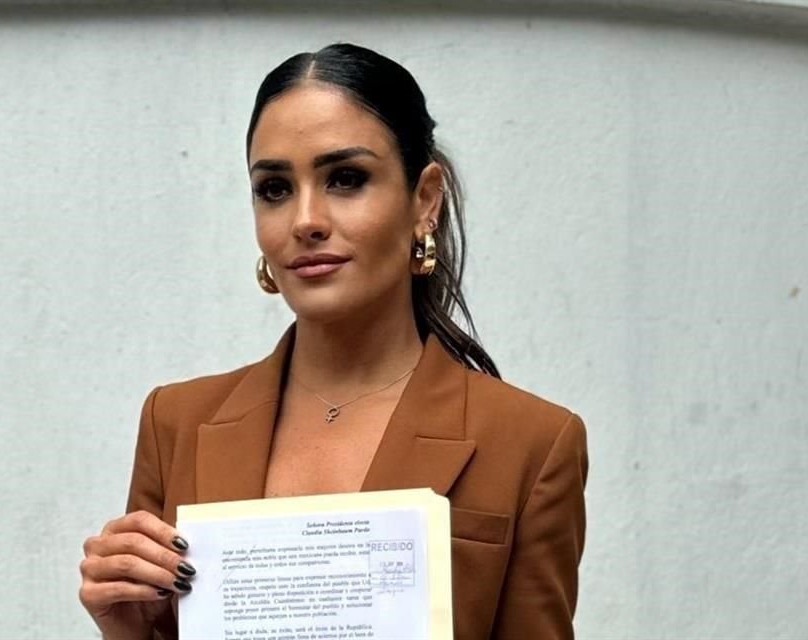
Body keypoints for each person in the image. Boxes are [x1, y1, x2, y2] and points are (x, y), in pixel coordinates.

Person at [79, 43, 588, 640]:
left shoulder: (532, 442)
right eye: (274, 188)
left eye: (346, 179)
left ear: (424, 199)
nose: (305, 220)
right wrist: (125, 628)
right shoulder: (176, 421)